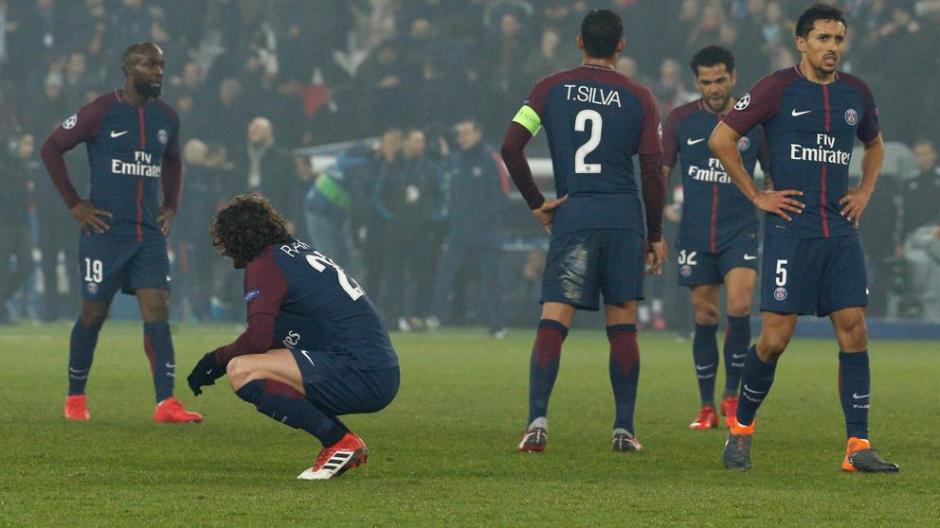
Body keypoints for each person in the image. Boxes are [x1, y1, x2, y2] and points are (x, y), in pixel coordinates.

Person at [708, 4, 898, 472]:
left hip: (840, 231)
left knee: (854, 329)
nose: (832, 47)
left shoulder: (856, 93)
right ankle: (740, 430)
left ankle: (857, 446)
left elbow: (874, 144)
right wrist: (757, 194)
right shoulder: (776, 88)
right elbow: (720, 140)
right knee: (774, 339)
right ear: (801, 42)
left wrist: (864, 190)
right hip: (790, 231)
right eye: (823, 39)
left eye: (838, 39)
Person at [501, 9, 666, 452]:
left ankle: (536, 423)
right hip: (623, 219)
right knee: (622, 323)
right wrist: (655, 232)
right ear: (621, 45)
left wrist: (536, 202)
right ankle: (624, 431)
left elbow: (511, 145)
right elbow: (653, 170)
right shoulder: (639, 97)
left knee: (554, 318)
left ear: (579, 42)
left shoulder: (549, 88)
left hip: (574, 215)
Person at [39, 42, 202, 423]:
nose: (158, 71)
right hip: (105, 232)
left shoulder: (167, 117)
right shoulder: (100, 112)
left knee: (157, 309)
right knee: (94, 312)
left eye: (161, 64)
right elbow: (51, 148)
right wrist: (74, 203)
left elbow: (174, 161)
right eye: (149, 65)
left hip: (148, 234)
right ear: (128, 70)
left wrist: (171, 205)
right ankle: (75, 396)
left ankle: (166, 403)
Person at [185, 194, 399, 480]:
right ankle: (342, 442)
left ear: (236, 240)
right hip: (375, 368)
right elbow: (276, 338)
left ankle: (339, 442)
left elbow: (258, 339)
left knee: (241, 370)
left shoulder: (265, 264)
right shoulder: (294, 253)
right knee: (257, 362)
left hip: (360, 372)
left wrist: (215, 359)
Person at [661, 45, 770, 430]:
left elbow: (773, 176)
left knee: (739, 306)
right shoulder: (680, 120)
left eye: (720, 80)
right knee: (705, 315)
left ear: (733, 78)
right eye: (706, 82)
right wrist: (656, 224)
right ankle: (706, 404)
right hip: (695, 232)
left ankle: (732, 396)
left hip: (740, 230)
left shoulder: (754, 122)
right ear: (696, 82)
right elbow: (661, 173)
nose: (713, 88)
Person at [427, 117, 510, 337]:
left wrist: (479, 220)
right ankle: (436, 317)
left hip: (485, 233)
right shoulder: (455, 161)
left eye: (466, 133)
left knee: (491, 279)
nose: (461, 137)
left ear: (477, 134)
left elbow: (502, 196)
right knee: (444, 274)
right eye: (460, 133)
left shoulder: (491, 159)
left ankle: (498, 324)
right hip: (459, 233)